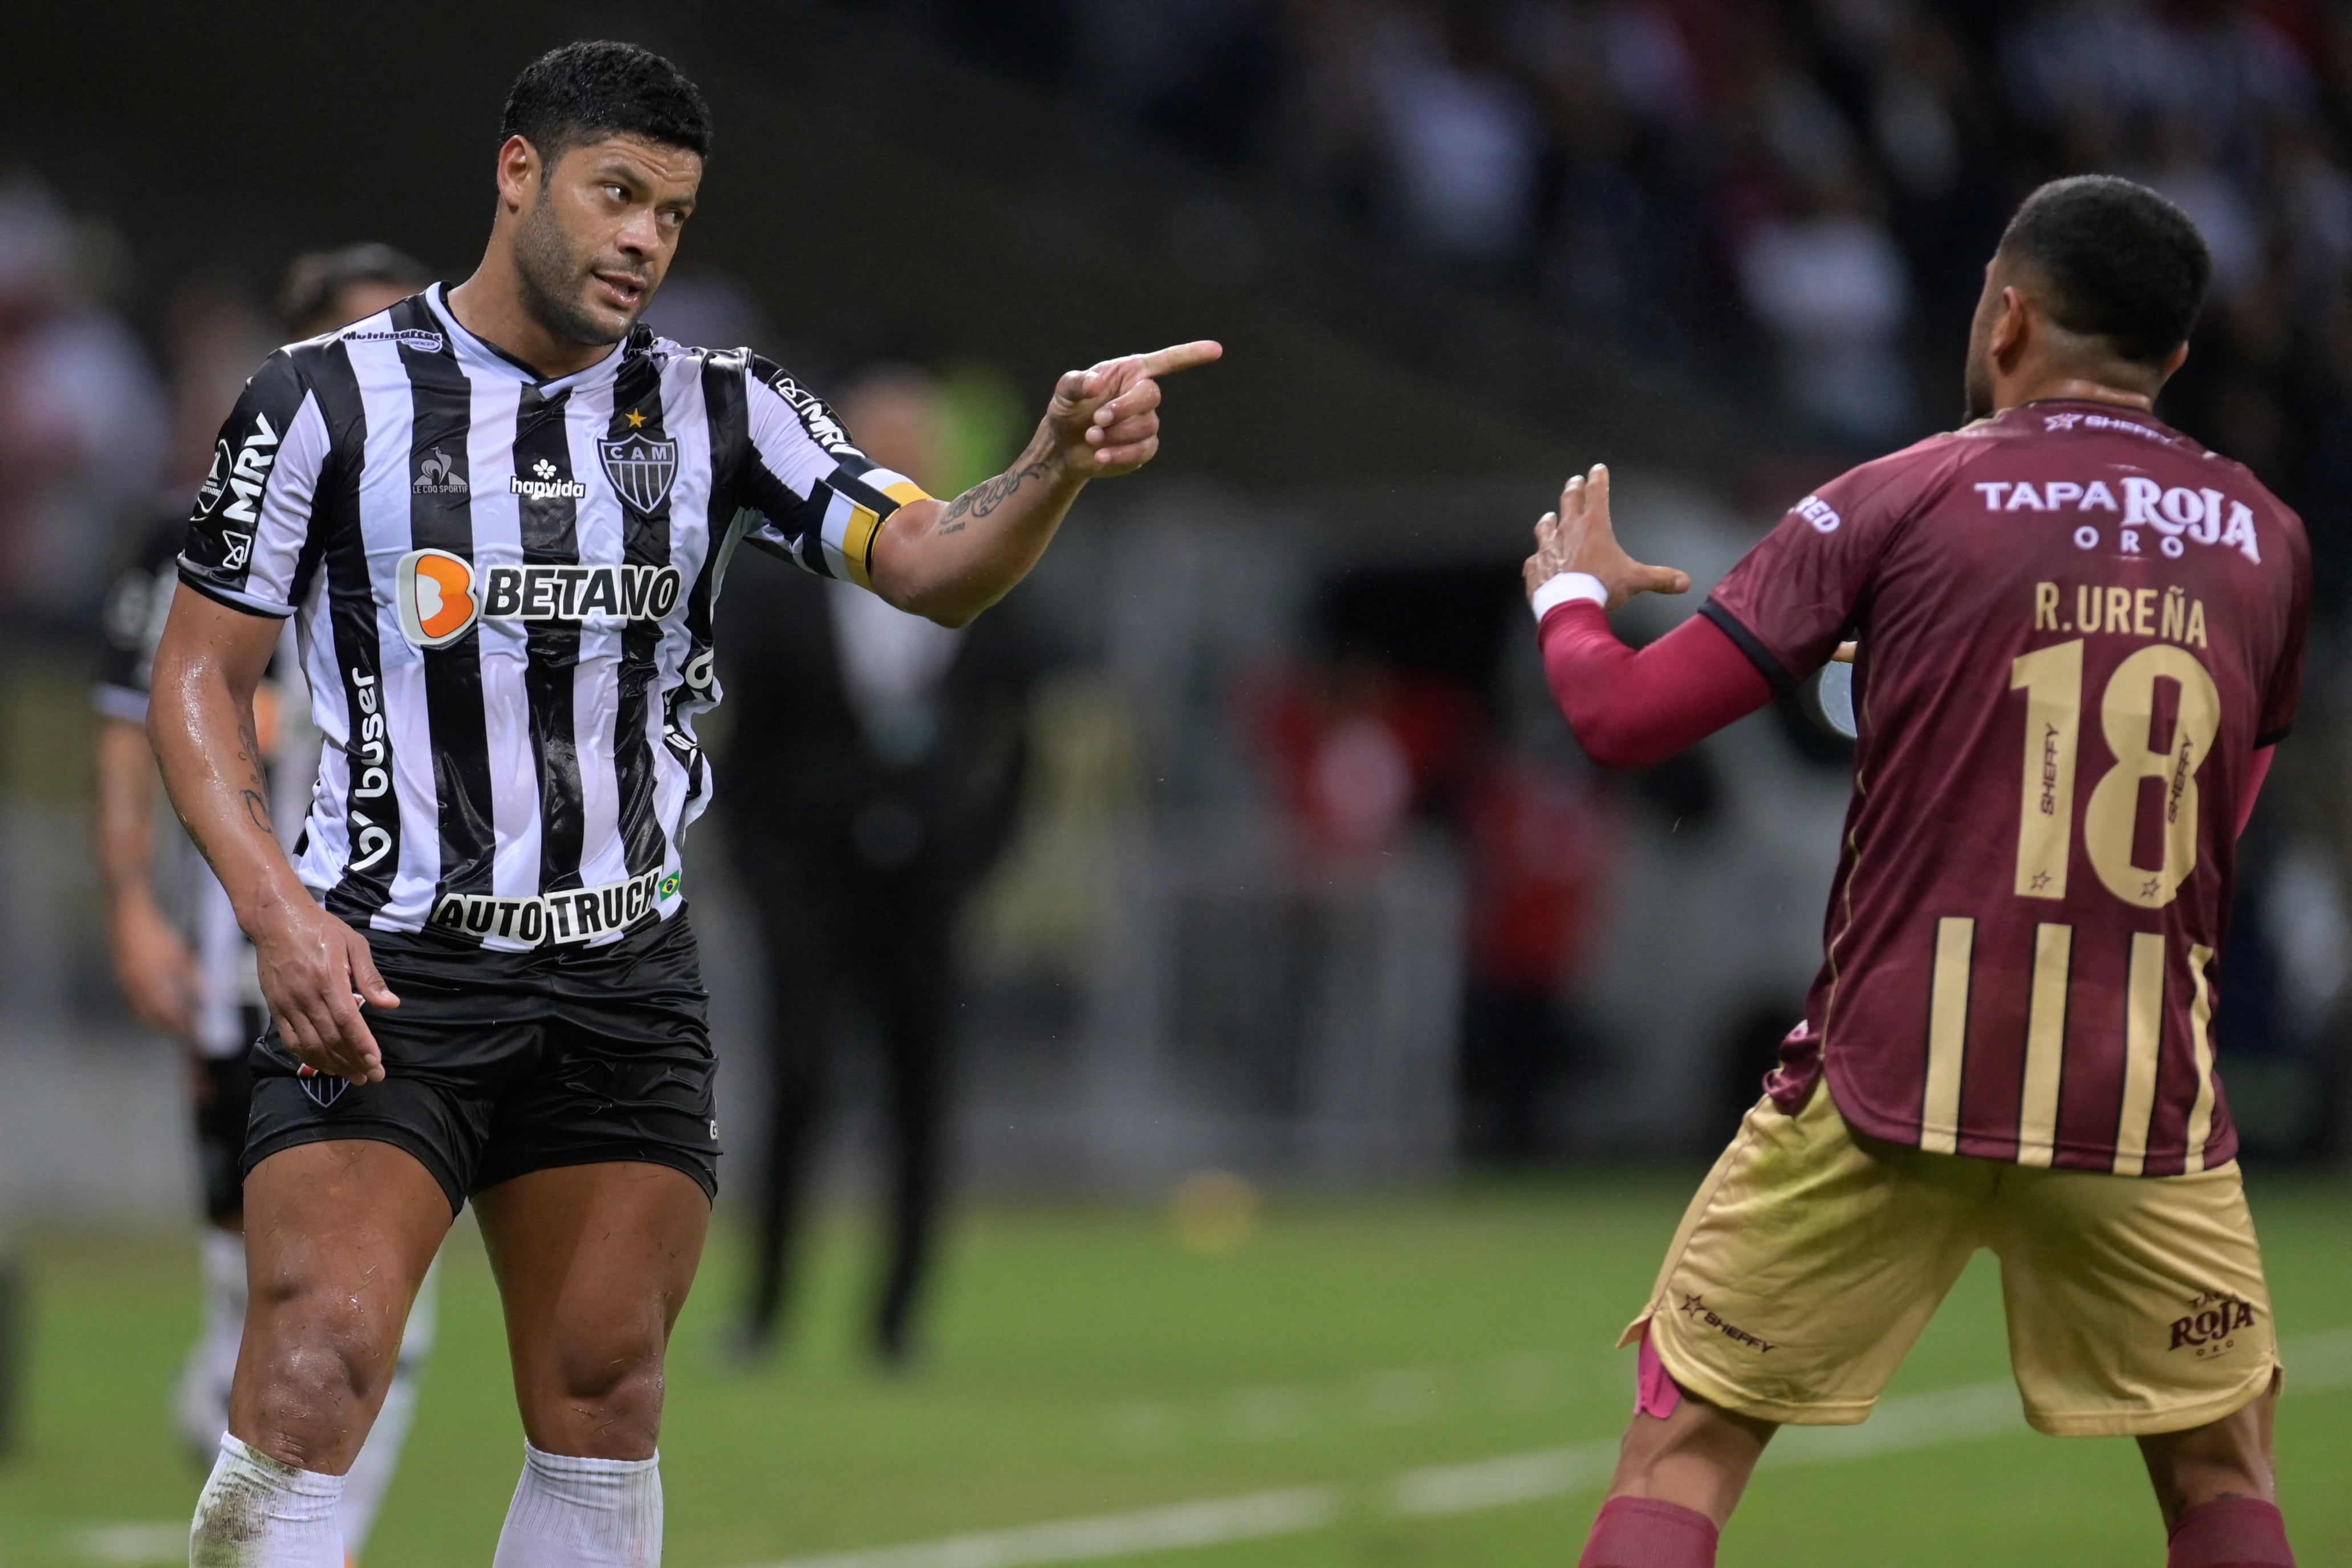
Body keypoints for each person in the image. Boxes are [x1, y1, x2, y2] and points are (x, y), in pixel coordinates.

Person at [146, 40, 1218, 1566]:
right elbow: (200, 675)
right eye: (617, 192)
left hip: (617, 973)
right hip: (387, 963)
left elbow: (925, 562)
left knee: (604, 1393)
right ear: (519, 173)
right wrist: (277, 913)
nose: (647, 235)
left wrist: (1047, 464)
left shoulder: (726, 409)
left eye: (673, 210)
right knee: (315, 1368)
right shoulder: (325, 401)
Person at [1525, 175, 2306, 1568]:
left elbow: (1621, 718)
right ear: (2174, 358)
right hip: (2132, 1095)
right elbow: (2212, 820)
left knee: (1686, 1447)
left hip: (1887, 1078)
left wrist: (1568, 596)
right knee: (2216, 1466)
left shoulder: (1897, 495)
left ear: (2007, 316)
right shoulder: (2265, 538)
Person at [93, 243, 432, 1561]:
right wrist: (134, 904)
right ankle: (235, 1417)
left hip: (409, 946)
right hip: (242, 952)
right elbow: (136, 726)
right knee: (257, 1277)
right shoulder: (200, 530)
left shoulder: (468, 520)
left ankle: (311, 1541)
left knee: (368, 1296)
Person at [717, 366, 1039, 1368]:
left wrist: (975, 855)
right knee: (799, 1083)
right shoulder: (780, 583)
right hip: (809, 882)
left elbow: (1018, 738)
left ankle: (897, 1320)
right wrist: (763, 875)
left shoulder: (993, 573)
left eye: (922, 440)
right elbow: (743, 747)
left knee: (920, 1097)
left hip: (926, 887)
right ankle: (765, 1310)